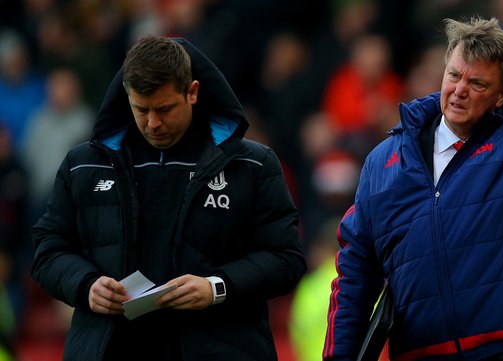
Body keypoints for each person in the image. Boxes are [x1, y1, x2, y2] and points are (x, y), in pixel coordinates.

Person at [323, 17, 503, 361]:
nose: (459, 90)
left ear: (502, 94)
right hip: (421, 352)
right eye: (454, 75)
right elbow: (356, 275)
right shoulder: (382, 162)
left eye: (478, 83)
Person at [30, 35, 307, 361]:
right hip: (110, 347)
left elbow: (286, 259)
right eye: (140, 109)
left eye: (164, 109)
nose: (153, 123)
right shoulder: (83, 164)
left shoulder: (253, 164)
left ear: (192, 92)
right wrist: (86, 285)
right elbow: (48, 250)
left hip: (221, 346)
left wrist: (217, 287)